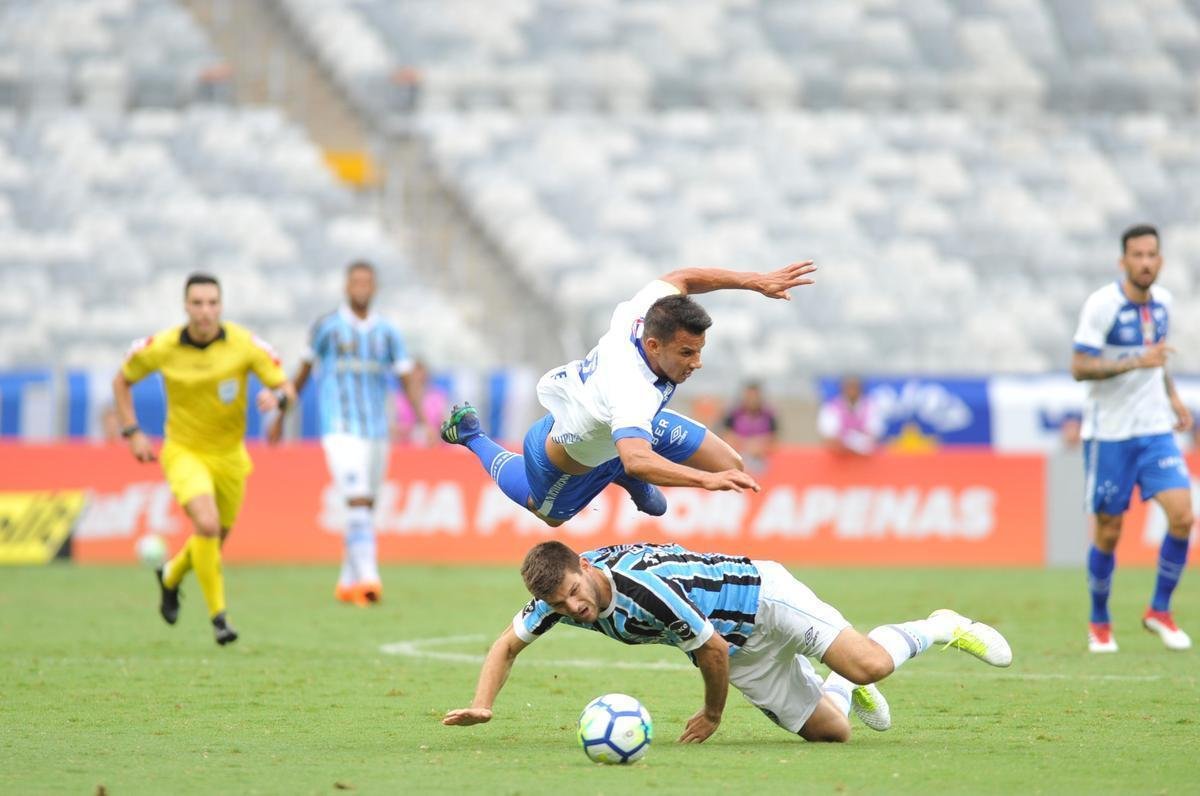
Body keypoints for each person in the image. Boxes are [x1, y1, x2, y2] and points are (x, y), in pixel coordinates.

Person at [442, 540, 1012, 743]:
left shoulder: (645, 593)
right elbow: (504, 646)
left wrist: (713, 714)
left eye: (573, 592)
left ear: (585, 566)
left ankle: (940, 625)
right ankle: (836, 688)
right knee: (831, 733)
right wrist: (483, 704)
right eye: (561, 604)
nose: (575, 609)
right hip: (735, 643)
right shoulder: (556, 601)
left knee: (870, 665)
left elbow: (710, 651)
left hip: (762, 596)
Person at [438, 264, 817, 526]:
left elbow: (680, 277)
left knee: (731, 465)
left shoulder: (644, 313)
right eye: (687, 353)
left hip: (624, 428)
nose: (697, 363)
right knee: (549, 515)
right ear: (653, 345)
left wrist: (753, 281)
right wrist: (703, 483)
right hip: (561, 456)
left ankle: (615, 462)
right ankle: (472, 434)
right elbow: (638, 460)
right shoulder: (631, 389)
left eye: (700, 350)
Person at [112, 273, 295, 645]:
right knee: (208, 525)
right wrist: (132, 432)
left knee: (212, 539)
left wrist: (278, 400)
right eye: (197, 303)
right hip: (184, 451)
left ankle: (170, 576)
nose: (205, 311)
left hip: (229, 456)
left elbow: (285, 385)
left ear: (221, 306)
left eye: (212, 303)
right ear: (185, 306)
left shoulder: (243, 344)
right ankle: (219, 619)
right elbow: (121, 380)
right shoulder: (161, 346)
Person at [268, 261, 425, 607]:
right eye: (355, 282)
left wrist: (422, 418)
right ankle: (369, 579)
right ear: (346, 287)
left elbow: (404, 376)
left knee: (366, 506)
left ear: (375, 287)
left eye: (367, 282)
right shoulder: (327, 328)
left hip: (375, 430)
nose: (361, 287)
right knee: (355, 497)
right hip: (339, 428)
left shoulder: (387, 332)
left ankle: (347, 581)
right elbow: (303, 373)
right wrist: (281, 414)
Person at [1071, 224, 1194, 653]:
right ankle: (1099, 620)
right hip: (1110, 433)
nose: (1145, 262)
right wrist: (1134, 362)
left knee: (1182, 516)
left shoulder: (1164, 303)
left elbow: (1158, 359)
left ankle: (1159, 609)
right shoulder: (1102, 305)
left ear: (1160, 260)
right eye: (1137, 255)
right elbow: (1079, 366)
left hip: (1155, 429)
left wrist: (1174, 398)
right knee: (1109, 530)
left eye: (1151, 255)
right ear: (1122, 261)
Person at [817, 376, 884, 456]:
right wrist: (844, 444)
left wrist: (863, 442)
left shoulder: (871, 406)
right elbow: (828, 434)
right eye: (849, 387)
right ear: (842, 389)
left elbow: (876, 431)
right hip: (838, 458)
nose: (852, 391)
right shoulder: (831, 407)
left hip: (865, 457)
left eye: (855, 387)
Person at [721, 382, 779, 471]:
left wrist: (758, 443)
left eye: (755, 396)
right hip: (738, 454)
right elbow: (726, 434)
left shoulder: (769, 414)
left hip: (762, 456)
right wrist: (745, 443)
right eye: (749, 396)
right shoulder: (734, 412)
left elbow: (774, 436)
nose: (752, 399)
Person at [394, 359, 445, 447]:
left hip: (432, 447)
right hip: (405, 448)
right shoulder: (398, 398)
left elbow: (445, 424)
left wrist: (434, 433)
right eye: (414, 373)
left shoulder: (437, 397)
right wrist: (410, 431)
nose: (417, 376)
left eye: (419, 372)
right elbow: (392, 428)